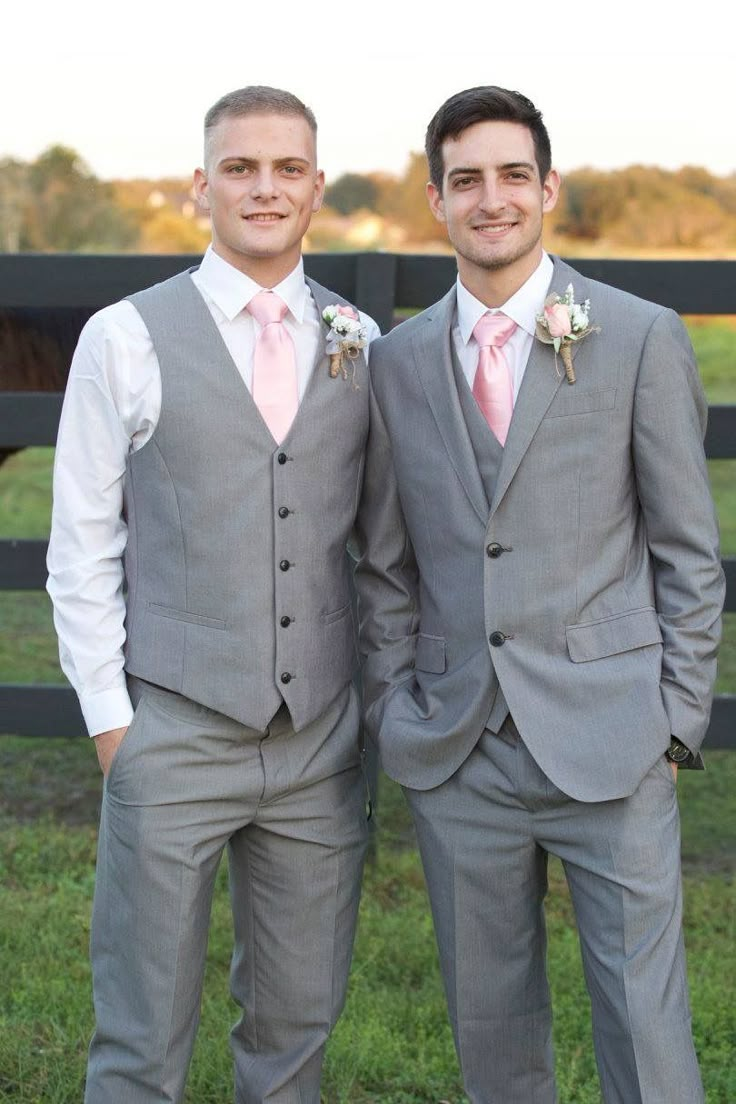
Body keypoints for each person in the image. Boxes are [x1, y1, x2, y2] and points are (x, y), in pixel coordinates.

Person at [355, 85, 724, 1103]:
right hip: (457, 745)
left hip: (612, 741)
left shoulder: (640, 337)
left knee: (645, 1032)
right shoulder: (394, 363)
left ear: (548, 187)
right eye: (465, 180)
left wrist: (672, 720)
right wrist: (395, 708)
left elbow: (687, 550)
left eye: (512, 175)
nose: (491, 199)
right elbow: (385, 564)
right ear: (435, 200)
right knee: (491, 1029)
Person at [47, 85, 378, 1104]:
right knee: (140, 1036)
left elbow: (376, 545)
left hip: (320, 744)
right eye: (240, 166)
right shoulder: (125, 337)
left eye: (286, 168)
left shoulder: (360, 339)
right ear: (202, 186)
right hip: (172, 730)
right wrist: (115, 727)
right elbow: (81, 546)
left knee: (294, 1033)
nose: (263, 187)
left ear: (316, 187)